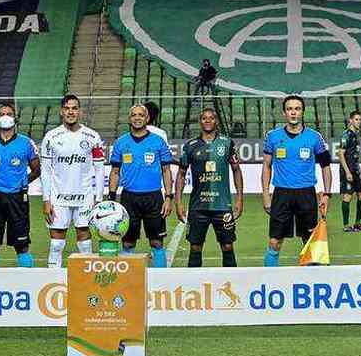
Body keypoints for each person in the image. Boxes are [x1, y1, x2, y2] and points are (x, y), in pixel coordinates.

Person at [261, 95, 332, 267]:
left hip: (306, 193)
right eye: (290, 109)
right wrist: (265, 194)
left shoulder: (315, 137)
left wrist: (327, 194)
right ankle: (269, 281)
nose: (293, 112)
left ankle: (312, 282)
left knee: (309, 241)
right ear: (284, 112)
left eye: (297, 109)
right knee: (274, 242)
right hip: (281, 194)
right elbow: (266, 166)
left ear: (302, 112)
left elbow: (326, 166)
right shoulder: (272, 136)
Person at [40, 95, 104, 268]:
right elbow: (45, 171)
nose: (71, 112)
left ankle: (87, 281)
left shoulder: (92, 136)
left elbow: (99, 170)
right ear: (61, 111)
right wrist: (46, 200)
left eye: (74, 108)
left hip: (85, 198)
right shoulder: (51, 137)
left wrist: (98, 198)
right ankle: (53, 280)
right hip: (58, 198)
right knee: (56, 244)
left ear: (80, 111)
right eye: (67, 108)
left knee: (85, 242)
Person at [175, 109, 244, 268]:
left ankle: (231, 283)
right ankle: (194, 286)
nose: (207, 121)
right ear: (200, 122)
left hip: (223, 206)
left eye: (211, 118)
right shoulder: (190, 146)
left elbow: (236, 170)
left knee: (227, 246)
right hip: (198, 207)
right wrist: (178, 203)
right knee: (195, 247)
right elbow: (180, 175)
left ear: (216, 121)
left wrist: (239, 199)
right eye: (204, 118)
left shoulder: (227, 143)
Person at [108, 104, 173, 268]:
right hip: (129, 198)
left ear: (147, 118)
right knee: (128, 243)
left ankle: (160, 282)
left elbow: (166, 171)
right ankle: (128, 283)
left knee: (157, 242)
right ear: (129, 119)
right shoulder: (121, 143)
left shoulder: (158, 142)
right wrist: (112, 198)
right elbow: (115, 171)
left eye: (141, 115)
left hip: (154, 198)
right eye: (134, 115)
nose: (137, 118)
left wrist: (168, 198)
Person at [0, 103, 41, 268]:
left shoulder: (26, 143)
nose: (5, 116)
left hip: (18, 197)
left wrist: (20, 183)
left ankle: (27, 284)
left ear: (15, 118)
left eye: (9, 113)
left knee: (22, 245)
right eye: (2, 113)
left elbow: (36, 170)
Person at [338, 110, 361, 232]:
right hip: (348, 170)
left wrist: (358, 168)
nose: (358, 122)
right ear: (350, 120)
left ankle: (357, 223)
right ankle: (346, 225)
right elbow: (340, 154)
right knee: (347, 196)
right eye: (356, 119)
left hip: (355, 170)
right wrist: (347, 172)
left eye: (360, 120)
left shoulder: (356, 134)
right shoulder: (346, 135)